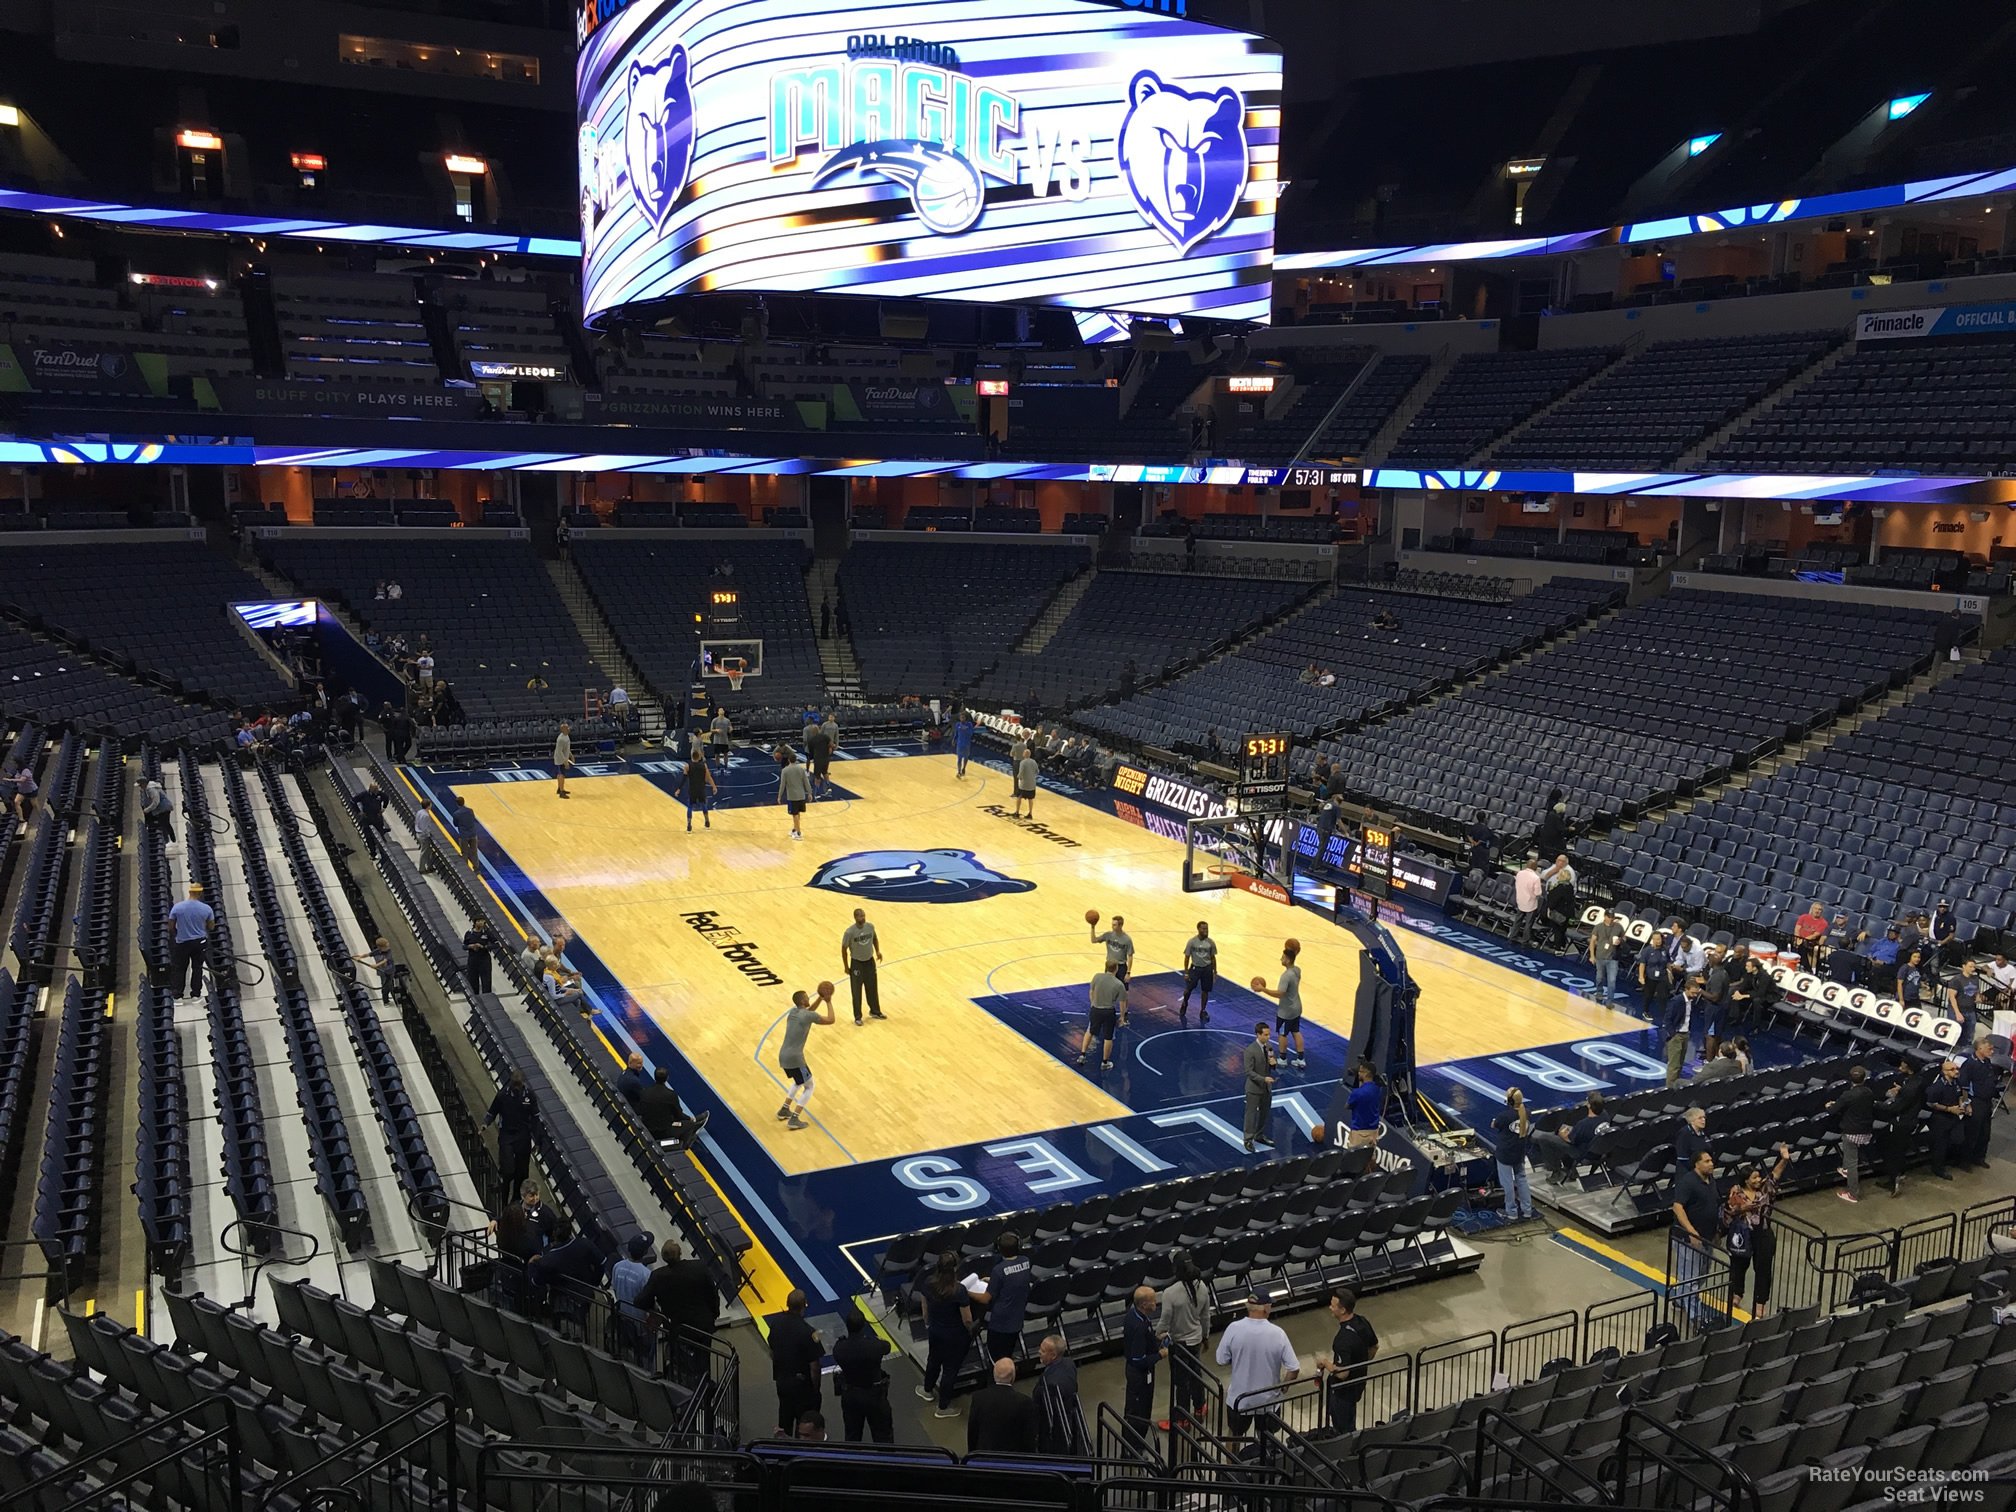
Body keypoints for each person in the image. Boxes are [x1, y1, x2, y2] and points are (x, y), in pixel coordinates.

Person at [636, 1236, 719, 1382]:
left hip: (677, 1325)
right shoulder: (699, 1267)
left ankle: (681, 1383)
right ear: (680, 1253)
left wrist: (657, 1311)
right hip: (702, 1325)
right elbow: (713, 1295)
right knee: (703, 1358)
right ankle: (704, 1385)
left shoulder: (658, 1276)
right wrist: (713, 1315)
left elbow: (640, 1301)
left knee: (679, 1357)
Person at [1215, 1293, 1300, 1436]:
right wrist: (1283, 1387)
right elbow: (1294, 1368)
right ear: (1265, 1308)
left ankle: (1233, 1459)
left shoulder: (1233, 1328)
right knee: (1266, 1440)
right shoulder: (1278, 1334)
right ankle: (1264, 1458)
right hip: (1268, 1400)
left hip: (1239, 1399)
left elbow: (1221, 1359)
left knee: (1235, 1436)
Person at [1722, 1144, 1792, 1318]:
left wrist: (1784, 1158)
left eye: (1758, 1176)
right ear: (1746, 1180)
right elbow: (1728, 1213)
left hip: (1763, 1234)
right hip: (1743, 1234)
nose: (1758, 1179)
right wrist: (1742, 1209)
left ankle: (1760, 1303)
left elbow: (1776, 1174)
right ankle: (1736, 1294)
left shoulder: (1765, 1189)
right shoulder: (1736, 1194)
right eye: (1754, 1178)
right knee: (1738, 1266)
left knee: (1763, 1269)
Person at [1669, 1148, 1721, 1329]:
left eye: (1711, 1160)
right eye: (1706, 1161)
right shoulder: (1688, 1182)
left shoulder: (1711, 1180)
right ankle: (1696, 1317)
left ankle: (1680, 1296)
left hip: (1707, 1237)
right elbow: (1677, 1207)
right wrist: (1691, 1232)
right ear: (1697, 1164)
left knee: (1702, 1273)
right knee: (1690, 1278)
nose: (1711, 1163)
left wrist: (1716, 1232)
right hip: (1688, 1239)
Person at [1316, 1289, 1379, 1433]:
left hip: (1342, 1392)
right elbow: (1374, 1346)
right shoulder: (1362, 1322)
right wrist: (1360, 1364)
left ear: (1342, 1310)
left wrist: (1325, 1363)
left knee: (1343, 1427)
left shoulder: (1342, 1340)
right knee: (1350, 1419)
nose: (1330, 1308)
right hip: (1359, 1383)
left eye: (1333, 1306)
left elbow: (1343, 1373)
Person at [918, 1257, 973, 1418]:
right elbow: (967, 1319)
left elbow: (924, 1308)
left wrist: (928, 1323)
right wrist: (970, 1330)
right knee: (950, 1370)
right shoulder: (959, 1290)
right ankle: (943, 1407)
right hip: (955, 1336)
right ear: (955, 1269)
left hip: (936, 1332)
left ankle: (927, 1390)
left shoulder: (928, 1283)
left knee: (933, 1361)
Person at [776, 985, 836, 1131]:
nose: (809, 999)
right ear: (803, 1000)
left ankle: (784, 1109)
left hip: (783, 1055)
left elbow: (809, 1012)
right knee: (809, 1086)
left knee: (798, 1081)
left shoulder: (793, 1012)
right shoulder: (807, 1016)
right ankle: (794, 1119)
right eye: (807, 998)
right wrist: (828, 1001)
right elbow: (831, 1020)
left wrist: (820, 999)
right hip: (796, 1058)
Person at [832, 1306, 894, 1444]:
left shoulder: (839, 1348)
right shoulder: (874, 1346)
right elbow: (887, 1347)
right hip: (874, 1395)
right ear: (863, 1326)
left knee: (852, 1435)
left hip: (850, 1394)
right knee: (883, 1435)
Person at [1162, 1252, 1208, 1427]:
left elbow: (1165, 1319)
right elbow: (1205, 1317)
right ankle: (1200, 1406)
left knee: (1181, 1381)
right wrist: (1205, 1336)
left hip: (1179, 1343)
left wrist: (1159, 1334)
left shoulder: (1170, 1293)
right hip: (1196, 1339)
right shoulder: (1202, 1287)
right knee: (1196, 1374)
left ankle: (1182, 1419)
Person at [768, 1289, 824, 1435]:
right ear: (804, 1305)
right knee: (804, 1423)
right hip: (801, 1386)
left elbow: (772, 1349)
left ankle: (783, 1451)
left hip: (782, 1381)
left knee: (785, 1417)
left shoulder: (776, 1323)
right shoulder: (808, 1332)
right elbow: (814, 1367)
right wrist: (815, 1390)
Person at [484, 1069, 537, 1198]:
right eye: (515, 1085)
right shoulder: (503, 1095)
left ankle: (516, 1201)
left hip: (523, 1135)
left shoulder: (529, 1095)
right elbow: (493, 1111)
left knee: (522, 1172)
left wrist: (538, 1140)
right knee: (508, 1170)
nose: (517, 1088)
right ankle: (503, 1196)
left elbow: (535, 1118)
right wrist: (485, 1123)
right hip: (507, 1134)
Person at [1253, 940, 1306, 1070]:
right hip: (1297, 1007)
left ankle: (1282, 1059)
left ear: (1287, 960)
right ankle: (1301, 1059)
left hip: (1286, 1010)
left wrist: (1263, 989)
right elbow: (1293, 958)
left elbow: (1280, 994)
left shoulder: (1286, 976)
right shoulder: (1297, 970)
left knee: (1282, 1034)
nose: (1280, 959)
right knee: (1296, 1031)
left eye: (1283, 957)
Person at [1532, 1092, 1607, 1182]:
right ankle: (1570, 1169)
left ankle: (1556, 1171)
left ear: (1589, 1106)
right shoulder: (1605, 1115)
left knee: (1544, 1138)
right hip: (1600, 1150)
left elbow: (1569, 1140)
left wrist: (1561, 1133)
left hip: (1583, 1153)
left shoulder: (1584, 1124)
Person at [1121, 1285, 1164, 1437]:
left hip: (1140, 1373)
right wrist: (1160, 1355)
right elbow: (1138, 1359)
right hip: (1139, 1375)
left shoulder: (1136, 1315)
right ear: (1144, 1304)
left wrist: (1155, 1339)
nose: (1156, 1303)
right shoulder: (1139, 1326)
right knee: (1138, 1409)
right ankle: (1133, 1445)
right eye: (1153, 1300)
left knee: (1142, 1407)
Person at [1831, 1065, 1878, 1203]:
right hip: (1866, 1130)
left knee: (1852, 1163)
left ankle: (1853, 1194)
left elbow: (1833, 1110)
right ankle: (1846, 1169)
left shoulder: (1848, 1095)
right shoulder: (1869, 1092)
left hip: (1852, 1132)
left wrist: (1830, 1106)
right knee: (1850, 1160)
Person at [1883, 1053, 1928, 1197]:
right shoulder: (1917, 1081)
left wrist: (1876, 1104)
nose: (1899, 1067)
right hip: (1911, 1120)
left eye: (1902, 1065)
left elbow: (1895, 1108)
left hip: (1901, 1122)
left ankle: (1893, 1181)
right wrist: (1901, 1091)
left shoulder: (1909, 1088)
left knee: (1894, 1152)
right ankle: (1899, 1174)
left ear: (1909, 1068)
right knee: (1900, 1150)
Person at [1033, 1335, 1085, 1455]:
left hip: (1058, 1425)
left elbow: (1044, 1409)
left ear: (1053, 1355)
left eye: (1043, 1351)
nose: (1039, 1352)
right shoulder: (1069, 1364)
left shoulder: (1051, 1384)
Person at [636, 1066, 708, 1149]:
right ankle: (680, 1146)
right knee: (689, 1125)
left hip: (646, 1127)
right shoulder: (671, 1095)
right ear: (667, 1078)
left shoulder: (645, 1091)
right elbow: (679, 1116)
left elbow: (641, 1109)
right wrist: (689, 1119)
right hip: (662, 1132)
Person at [166, 883, 215, 999]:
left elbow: (170, 926)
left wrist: (177, 934)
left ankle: (177, 995)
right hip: (199, 942)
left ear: (190, 892)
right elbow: (211, 926)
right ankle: (196, 994)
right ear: (200, 893)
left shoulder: (177, 907)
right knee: (197, 968)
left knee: (179, 968)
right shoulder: (207, 909)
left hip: (182, 942)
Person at [1493, 1087, 1535, 1222]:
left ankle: (1511, 1212)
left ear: (1509, 1101)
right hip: (1520, 1152)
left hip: (1505, 1154)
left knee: (1507, 1183)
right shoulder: (1526, 1113)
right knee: (1522, 1179)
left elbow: (1495, 1125)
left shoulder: (1504, 1116)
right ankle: (1527, 1210)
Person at [1959, 1038, 2001, 1170]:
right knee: (1972, 1133)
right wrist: (1967, 1103)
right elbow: (1964, 1086)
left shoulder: (1987, 1062)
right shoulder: (1970, 1064)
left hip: (1986, 1102)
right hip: (1975, 1101)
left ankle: (1979, 1158)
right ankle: (1964, 1161)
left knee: (1984, 1133)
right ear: (1980, 1049)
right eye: (1989, 1049)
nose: (1991, 1051)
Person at [1924, 1057, 1969, 1181]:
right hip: (1941, 1118)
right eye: (1952, 1069)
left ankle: (1952, 1160)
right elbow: (1931, 1103)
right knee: (1940, 1145)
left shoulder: (1956, 1083)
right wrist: (1948, 1109)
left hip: (1954, 1117)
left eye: (1957, 1069)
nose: (1956, 1071)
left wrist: (1963, 1105)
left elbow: (1961, 1095)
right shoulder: (1937, 1087)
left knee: (1958, 1139)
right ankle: (1938, 1168)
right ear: (1945, 1072)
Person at [1077, 962, 1126, 1073]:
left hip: (1096, 1009)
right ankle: (1105, 1062)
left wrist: (1093, 1003)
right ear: (1116, 969)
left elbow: (1091, 992)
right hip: (1109, 1011)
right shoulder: (1119, 984)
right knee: (1108, 1037)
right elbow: (1122, 1003)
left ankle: (1082, 1055)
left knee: (1090, 1031)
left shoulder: (1097, 977)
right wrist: (1122, 1017)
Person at [840, 908, 885, 1024]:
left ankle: (875, 1011)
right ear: (855, 918)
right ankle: (858, 1017)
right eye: (860, 916)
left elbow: (874, 938)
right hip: (857, 963)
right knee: (856, 991)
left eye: (863, 915)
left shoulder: (870, 927)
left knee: (872, 988)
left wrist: (878, 951)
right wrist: (846, 966)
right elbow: (844, 949)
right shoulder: (849, 932)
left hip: (869, 961)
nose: (862, 918)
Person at [1091, 915, 1135, 1023]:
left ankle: (1124, 1015)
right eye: (1112, 924)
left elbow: (1130, 956)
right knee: (1107, 989)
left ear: (1120, 925)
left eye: (1114, 925)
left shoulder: (1127, 939)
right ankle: (1106, 1010)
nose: (1112, 926)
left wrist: (1128, 972)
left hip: (1121, 967)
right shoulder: (1108, 935)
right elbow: (1093, 940)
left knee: (1124, 993)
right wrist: (1092, 927)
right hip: (1109, 966)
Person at [1242, 1022, 1277, 1153]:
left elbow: (1271, 1064)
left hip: (1266, 1088)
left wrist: (1274, 1064)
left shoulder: (1269, 1047)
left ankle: (1259, 1135)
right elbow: (1248, 1072)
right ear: (1258, 1034)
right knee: (1251, 1114)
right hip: (1254, 1088)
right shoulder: (1250, 1050)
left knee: (1264, 1113)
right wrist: (1263, 1079)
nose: (1268, 1037)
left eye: (1269, 1034)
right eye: (1266, 1035)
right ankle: (1248, 1139)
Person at [1663, 975, 1703, 1088]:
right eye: (1693, 993)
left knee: (1680, 1063)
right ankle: (1670, 1089)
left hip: (1686, 1034)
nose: (1695, 996)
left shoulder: (1691, 1001)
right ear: (1686, 989)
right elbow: (1667, 1019)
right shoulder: (1676, 1001)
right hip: (1677, 1035)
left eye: (1696, 993)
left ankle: (1675, 1086)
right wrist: (1673, 1035)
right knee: (1674, 1065)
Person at [1179, 920, 1216, 1026]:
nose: (1206, 931)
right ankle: (1185, 1003)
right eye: (1204, 929)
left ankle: (1203, 1011)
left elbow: (1213, 958)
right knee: (1188, 989)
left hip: (1207, 969)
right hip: (1195, 968)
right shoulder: (1192, 942)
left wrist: (1215, 971)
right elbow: (1187, 957)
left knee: (1205, 991)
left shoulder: (1211, 942)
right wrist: (1186, 972)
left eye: (1207, 929)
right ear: (1198, 929)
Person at [1587, 909, 1624, 1008]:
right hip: (1600, 956)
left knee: (1612, 980)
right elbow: (1592, 941)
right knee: (1599, 978)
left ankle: (1609, 1001)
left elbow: (1624, 938)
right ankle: (1599, 992)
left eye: (1613, 917)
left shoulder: (1619, 927)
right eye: (1609, 917)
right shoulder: (1598, 927)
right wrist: (1592, 955)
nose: (1611, 919)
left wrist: (1620, 941)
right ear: (1605, 916)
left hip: (1613, 958)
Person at [1345, 1061, 1383, 1148]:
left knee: (1354, 1158)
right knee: (1369, 1157)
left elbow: (1347, 1106)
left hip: (1360, 1131)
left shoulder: (1357, 1093)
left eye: (1360, 1071)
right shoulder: (1377, 1089)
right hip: (1373, 1130)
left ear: (1366, 1074)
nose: (1358, 1073)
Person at [777, 750, 813, 842]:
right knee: (797, 813)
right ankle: (794, 829)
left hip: (792, 796)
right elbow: (806, 781)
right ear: (796, 760)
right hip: (801, 795)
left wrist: (779, 796)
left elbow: (782, 785)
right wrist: (809, 792)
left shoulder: (785, 770)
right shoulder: (801, 769)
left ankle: (798, 832)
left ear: (789, 760)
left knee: (795, 814)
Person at [1511, 854, 1542, 945]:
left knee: (1518, 920)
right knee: (1528, 924)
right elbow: (1538, 893)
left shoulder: (1519, 873)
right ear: (1536, 867)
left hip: (1520, 900)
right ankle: (1525, 941)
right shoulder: (1536, 878)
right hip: (1530, 904)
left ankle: (1513, 936)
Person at [140, 776, 177, 848]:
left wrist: (147, 810)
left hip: (163, 808)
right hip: (164, 807)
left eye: (140, 785)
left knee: (164, 824)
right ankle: (172, 840)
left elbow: (156, 802)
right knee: (166, 823)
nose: (140, 787)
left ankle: (169, 841)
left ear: (144, 784)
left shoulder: (151, 789)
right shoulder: (150, 787)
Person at [683, 752, 717, 831]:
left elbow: (684, 778)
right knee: (703, 805)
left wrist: (679, 788)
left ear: (692, 757)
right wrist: (714, 786)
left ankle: (689, 824)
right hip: (701, 788)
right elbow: (708, 777)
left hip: (692, 789)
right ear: (699, 757)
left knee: (690, 806)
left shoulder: (688, 766)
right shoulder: (704, 766)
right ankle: (707, 821)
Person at [449, 792, 481, 872]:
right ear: (464, 802)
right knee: (474, 852)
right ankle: (476, 869)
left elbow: (455, 824)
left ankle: (466, 870)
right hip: (473, 834)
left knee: (464, 853)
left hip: (464, 836)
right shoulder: (470, 811)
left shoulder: (456, 814)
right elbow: (473, 819)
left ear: (457, 804)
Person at [462, 925, 494, 996]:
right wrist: (470, 946)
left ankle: (487, 1000)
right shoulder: (469, 933)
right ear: (475, 922)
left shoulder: (487, 933)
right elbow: (464, 946)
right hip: (473, 960)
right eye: (479, 921)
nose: (481, 923)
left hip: (484, 960)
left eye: (482, 921)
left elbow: (496, 945)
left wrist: (484, 947)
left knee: (486, 983)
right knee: (473, 983)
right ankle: (476, 1001)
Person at [1012, 748, 1039, 820]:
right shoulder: (1034, 762)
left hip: (1024, 784)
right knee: (1030, 799)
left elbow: (1020, 773)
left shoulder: (1022, 762)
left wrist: (1018, 777)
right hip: (1032, 784)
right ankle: (1030, 813)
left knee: (1019, 797)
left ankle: (1017, 812)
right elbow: (1037, 771)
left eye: (1023, 752)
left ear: (1025, 754)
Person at [553, 720, 573, 799]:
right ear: (563, 729)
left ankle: (559, 788)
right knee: (561, 775)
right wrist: (565, 762)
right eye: (567, 728)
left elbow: (566, 748)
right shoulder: (561, 739)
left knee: (560, 774)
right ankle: (561, 792)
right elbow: (559, 751)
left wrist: (571, 755)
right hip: (560, 758)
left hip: (563, 757)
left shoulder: (566, 736)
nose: (569, 729)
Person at [709, 708, 732, 773]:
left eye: (722, 710)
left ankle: (726, 767)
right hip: (717, 741)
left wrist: (730, 729)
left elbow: (730, 727)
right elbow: (711, 730)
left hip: (725, 740)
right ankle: (718, 768)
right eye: (720, 710)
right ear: (718, 712)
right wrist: (716, 730)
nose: (721, 711)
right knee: (717, 755)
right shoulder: (714, 720)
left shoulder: (727, 720)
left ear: (724, 712)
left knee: (726, 754)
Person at [953, 713, 974, 779]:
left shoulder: (969, 725)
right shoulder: (958, 725)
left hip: (967, 744)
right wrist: (954, 740)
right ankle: (959, 771)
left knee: (966, 757)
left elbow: (971, 734)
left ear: (965, 718)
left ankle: (964, 768)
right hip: (960, 744)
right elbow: (956, 733)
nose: (962, 719)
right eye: (961, 717)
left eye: (963, 717)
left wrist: (966, 729)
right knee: (959, 758)